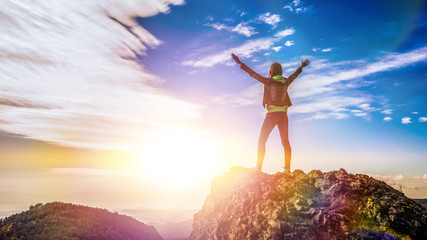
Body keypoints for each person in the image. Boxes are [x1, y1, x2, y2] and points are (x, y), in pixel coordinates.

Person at [231, 53, 310, 173]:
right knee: (285, 142)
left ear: (271, 71)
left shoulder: (267, 81)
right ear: (281, 71)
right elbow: (295, 75)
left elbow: (253, 73)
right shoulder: (286, 81)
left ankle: (258, 168)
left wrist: (240, 63)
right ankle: (287, 169)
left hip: (271, 116)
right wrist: (301, 67)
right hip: (283, 116)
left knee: (262, 141)